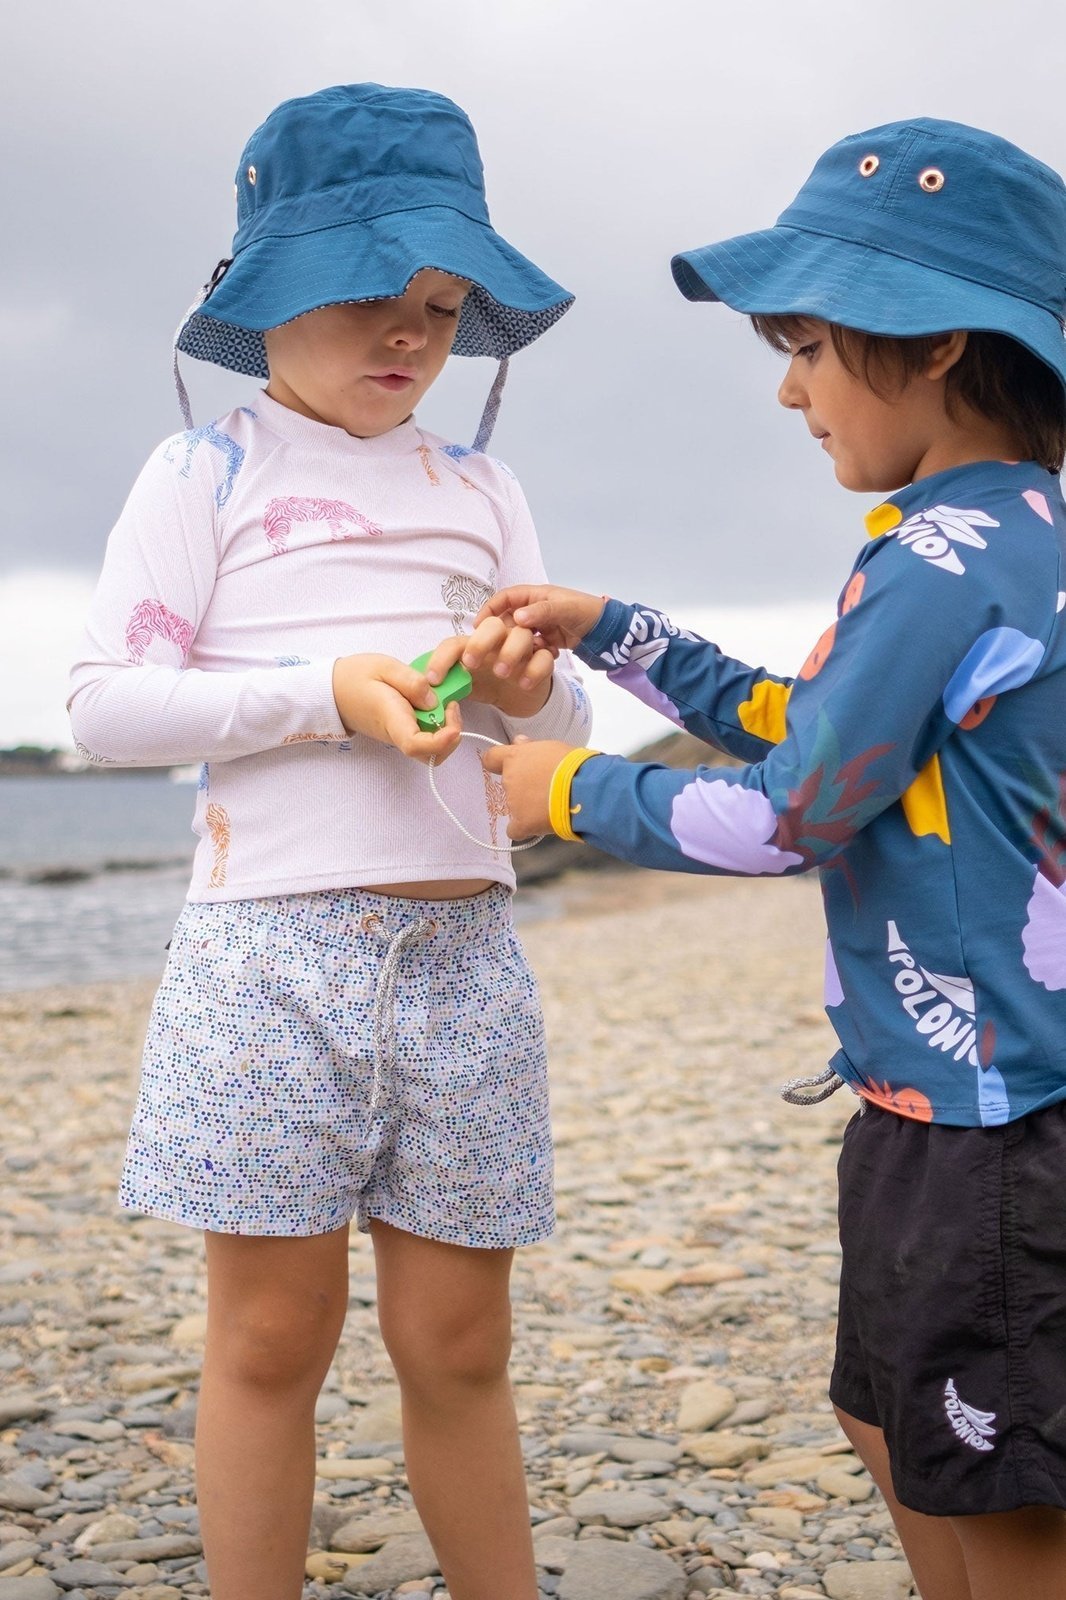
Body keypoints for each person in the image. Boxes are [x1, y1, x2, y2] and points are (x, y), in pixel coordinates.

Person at [473, 119, 1066, 1600]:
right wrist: (618, 633)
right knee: (885, 1421)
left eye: (806, 342)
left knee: (1001, 1502)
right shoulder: (1010, 535)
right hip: (944, 1099)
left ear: (933, 341)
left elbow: (795, 811)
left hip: (984, 1127)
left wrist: (568, 792)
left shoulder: (937, 560)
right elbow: (821, 730)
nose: (786, 386)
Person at [68, 83, 591, 1600]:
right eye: (365, 293)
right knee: (268, 1338)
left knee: (460, 1342)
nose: (408, 335)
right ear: (263, 297)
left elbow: (546, 741)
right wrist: (329, 699)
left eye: (438, 304)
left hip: (465, 956)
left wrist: (525, 695)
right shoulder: (202, 475)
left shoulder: (479, 488)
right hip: (267, 956)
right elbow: (104, 706)